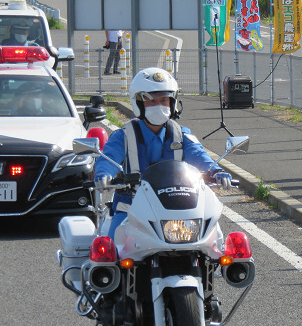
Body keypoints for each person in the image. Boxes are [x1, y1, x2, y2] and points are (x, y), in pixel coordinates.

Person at [94, 67, 232, 238]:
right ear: (138, 103)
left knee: (214, 240)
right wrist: (103, 174)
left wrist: (216, 171)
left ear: (172, 103)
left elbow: (199, 155)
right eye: (151, 101)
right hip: (131, 207)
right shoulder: (123, 136)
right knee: (113, 247)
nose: (158, 106)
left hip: (176, 207)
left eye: (164, 100)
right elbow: (108, 158)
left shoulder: (182, 134)